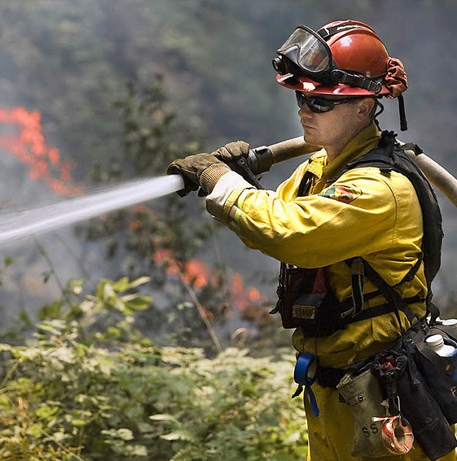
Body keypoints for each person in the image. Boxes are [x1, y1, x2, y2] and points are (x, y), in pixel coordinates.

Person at [167, 20, 455, 461]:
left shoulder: (380, 189)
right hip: (334, 392)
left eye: (320, 101)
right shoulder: (320, 170)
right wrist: (239, 182)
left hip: (389, 402)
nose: (305, 110)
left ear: (363, 107)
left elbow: (288, 234)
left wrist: (221, 182)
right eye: (302, 97)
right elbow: (269, 216)